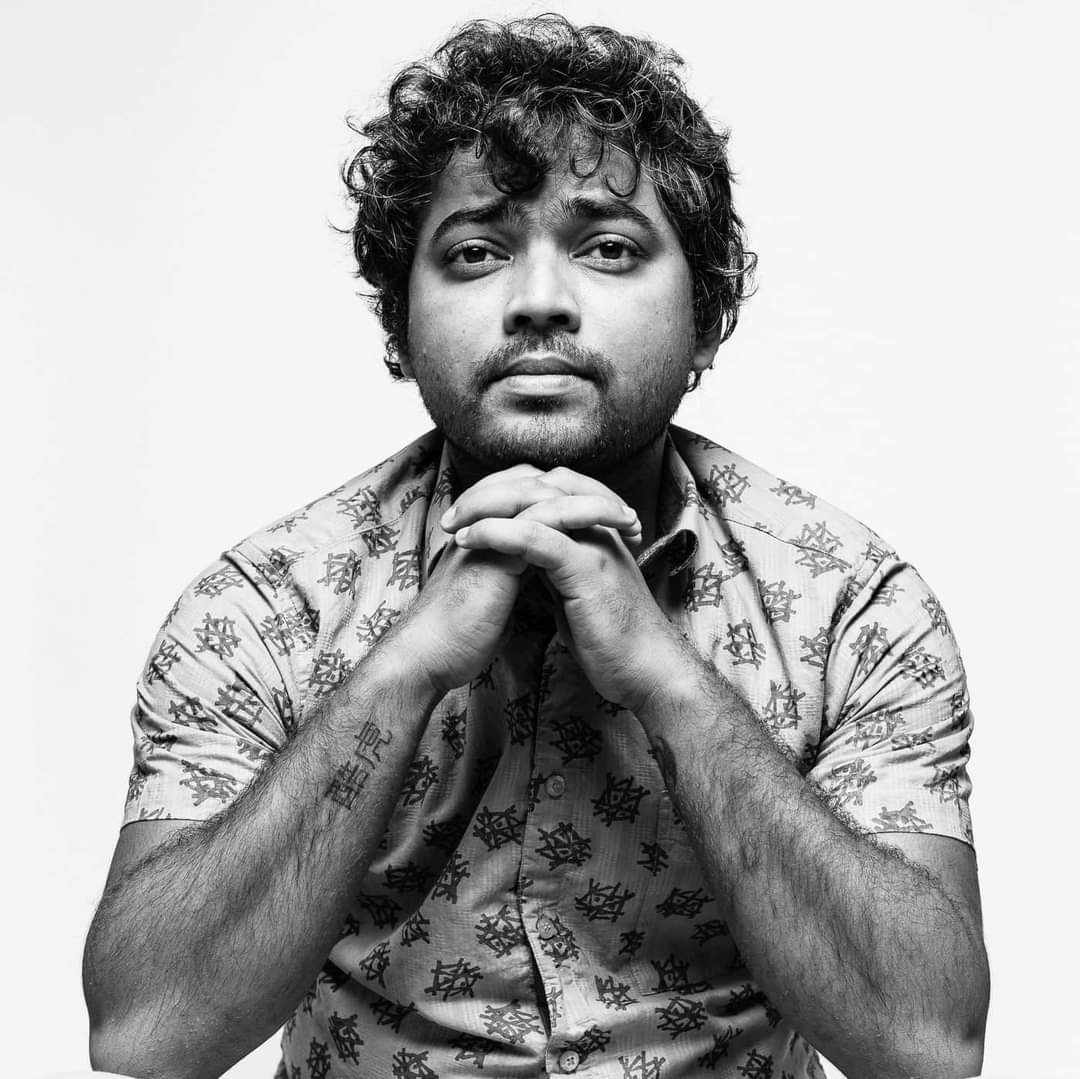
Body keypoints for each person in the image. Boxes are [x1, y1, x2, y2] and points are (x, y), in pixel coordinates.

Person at [83, 15, 989, 1079]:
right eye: (477, 251)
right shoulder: (263, 605)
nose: (540, 302)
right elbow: (143, 1032)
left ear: (705, 318)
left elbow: (929, 1043)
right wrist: (401, 672)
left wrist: (667, 680)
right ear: (399, 321)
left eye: (608, 248)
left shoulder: (852, 604)